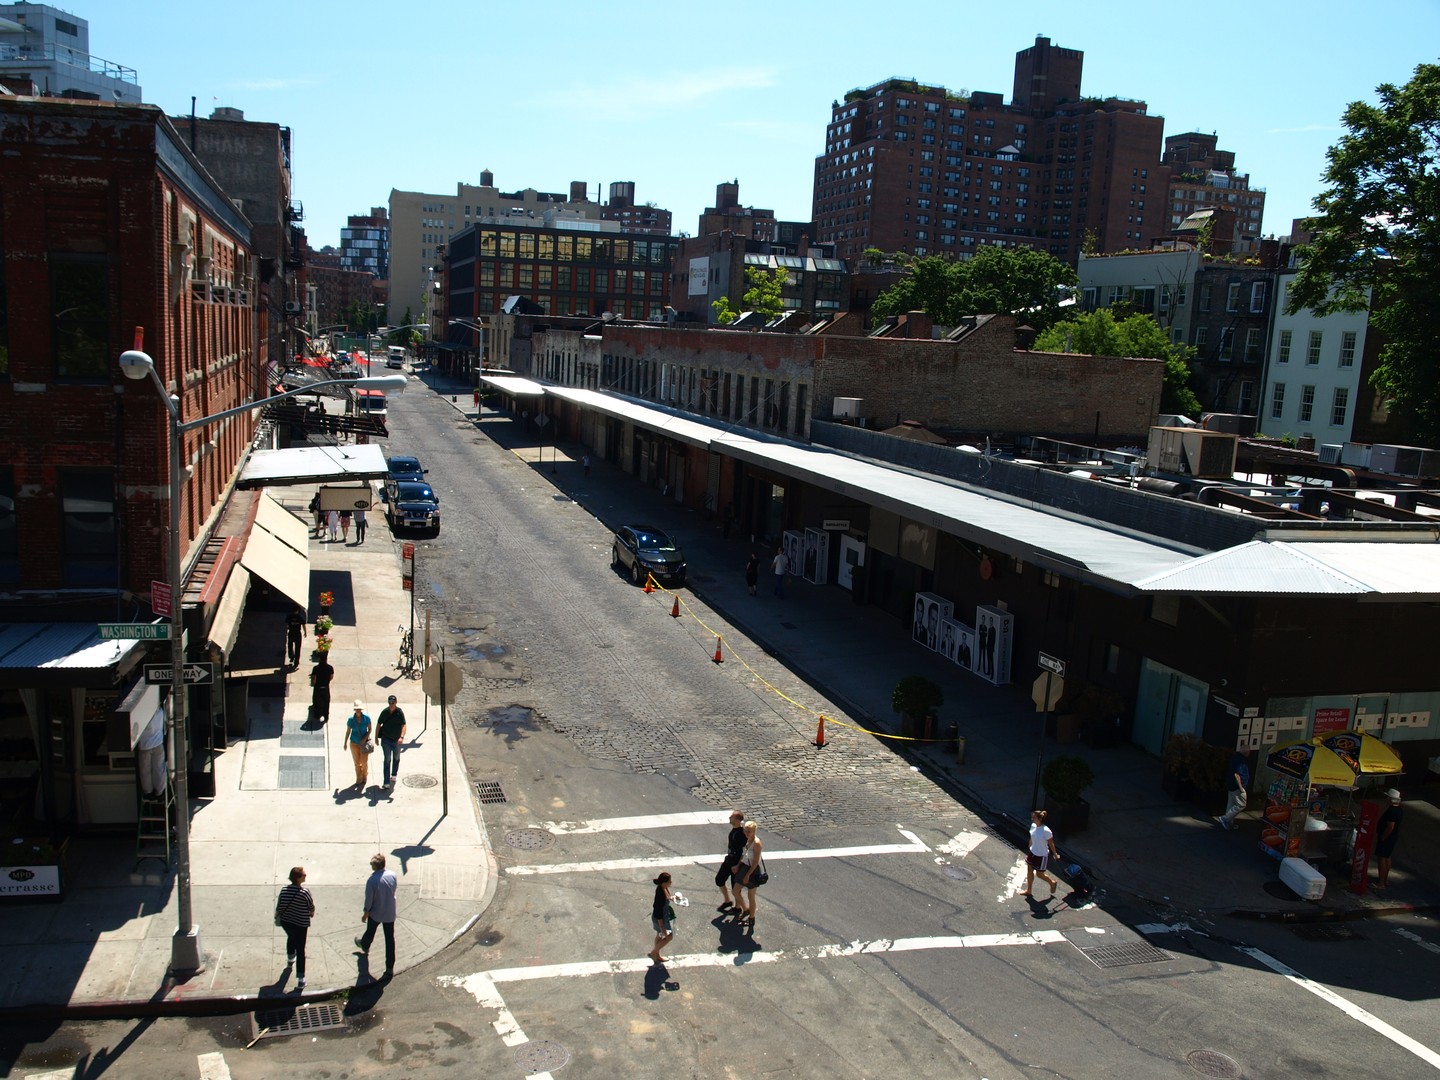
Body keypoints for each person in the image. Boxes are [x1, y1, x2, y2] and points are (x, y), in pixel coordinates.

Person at [355, 853, 398, 977]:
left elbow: (369, 900)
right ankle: (389, 967)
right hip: (389, 912)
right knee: (389, 940)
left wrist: (365, 913)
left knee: (370, 931)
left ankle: (364, 945)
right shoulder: (392, 875)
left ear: (375, 866)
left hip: (376, 913)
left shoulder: (372, 881)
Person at [275, 865, 315, 990]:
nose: (306, 875)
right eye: (304, 874)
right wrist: (311, 913)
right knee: (301, 949)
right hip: (301, 924)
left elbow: (279, 907)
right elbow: (311, 907)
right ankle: (301, 979)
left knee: (291, 938)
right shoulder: (304, 892)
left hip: (286, 922)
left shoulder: (284, 890)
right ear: (298, 878)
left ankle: (290, 959)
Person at [732, 819, 765, 926]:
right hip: (745, 867)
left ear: (754, 831)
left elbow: (755, 862)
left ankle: (751, 918)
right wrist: (738, 865)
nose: (746, 833)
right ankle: (746, 909)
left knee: (751, 896)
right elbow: (745, 855)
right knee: (735, 891)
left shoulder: (757, 843)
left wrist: (747, 875)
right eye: (745, 831)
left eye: (749, 831)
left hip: (752, 870)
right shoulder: (748, 840)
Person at [1024, 809, 1059, 900]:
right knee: (1029, 870)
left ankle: (1052, 883)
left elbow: (1051, 843)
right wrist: (1030, 845)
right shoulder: (1033, 826)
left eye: (1034, 817)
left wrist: (1055, 854)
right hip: (1033, 852)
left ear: (1039, 819)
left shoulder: (1046, 831)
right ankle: (1029, 890)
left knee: (1039, 874)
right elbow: (1032, 837)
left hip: (1041, 855)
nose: (1032, 819)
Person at [716, 810, 746, 911]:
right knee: (719, 880)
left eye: (731, 817)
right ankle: (727, 901)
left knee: (735, 887)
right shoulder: (734, 830)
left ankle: (738, 907)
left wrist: (738, 865)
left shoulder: (741, 834)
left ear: (737, 820)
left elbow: (744, 852)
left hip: (736, 864)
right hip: (729, 860)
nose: (729, 818)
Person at [1215, 748, 1251, 830]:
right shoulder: (1241, 762)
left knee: (1230, 804)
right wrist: (1241, 788)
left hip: (1231, 785)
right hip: (1237, 787)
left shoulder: (1234, 758)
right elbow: (1237, 775)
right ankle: (1225, 818)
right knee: (1241, 804)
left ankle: (1228, 823)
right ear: (1247, 753)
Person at [1374, 788, 1404, 889]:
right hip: (1392, 837)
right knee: (1387, 857)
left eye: (1387, 797)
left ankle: (1381, 883)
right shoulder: (1399, 809)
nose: (1386, 799)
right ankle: (1385, 880)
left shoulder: (1392, 811)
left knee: (1382, 859)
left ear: (1391, 799)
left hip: (1387, 837)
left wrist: (1383, 837)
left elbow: (1390, 826)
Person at [377, 695, 407, 789]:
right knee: (387, 759)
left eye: (393, 703)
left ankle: (394, 774)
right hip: (386, 739)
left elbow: (403, 725)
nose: (391, 704)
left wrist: (401, 737)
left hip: (396, 740)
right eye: (390, 703)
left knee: (396, 758)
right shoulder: (385, 712)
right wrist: (376, 737)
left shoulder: (399, 712)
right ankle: (386, 782)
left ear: (396, 702)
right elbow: (379, 724)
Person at [345, 700, 373, 789]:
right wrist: (345, 742)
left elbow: (370, 729)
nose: (358, 710)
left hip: (363, 744)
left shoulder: (366, 718)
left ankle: (365, 775)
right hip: (354, 743)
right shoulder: (351, 720)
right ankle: (358, 778)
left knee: (364, 762)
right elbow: (348, 731)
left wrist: (364, 739)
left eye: (359, 709)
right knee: (357, 763)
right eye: (357, 709)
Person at [649, 871, 675, 964]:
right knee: (669, 936)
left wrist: (674, 898)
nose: (671, 882)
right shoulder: (660, 893)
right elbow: (658, 912)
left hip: (662, 917)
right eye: (669, 881)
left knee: (659, 936)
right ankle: (653, 953)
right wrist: (662, 927)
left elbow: (668, 897)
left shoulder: (663, 888)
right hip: (660, 919)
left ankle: (657, 955)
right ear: (664, 882)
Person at [309, 655, 334, 724]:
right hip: (325, 686)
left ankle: (317, 714)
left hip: (318, 687)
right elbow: (331, 677)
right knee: (326, 701)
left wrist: (315, 683)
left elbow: (314, 679)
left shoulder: (316, 668)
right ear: (326, 659)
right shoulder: (330, 668)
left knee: (317, 700)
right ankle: (326, 716)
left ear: (319, 659)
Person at [285, 604, 307, 669]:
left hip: (291, 633)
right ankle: (296, 661)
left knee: (290, 646)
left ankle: (291, 657)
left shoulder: (289, 616)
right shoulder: (299, 617)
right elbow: (303, 624)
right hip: (297, 633)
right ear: (298, 611)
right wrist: (305, 632)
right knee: (297, 648)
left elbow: (286, 623)